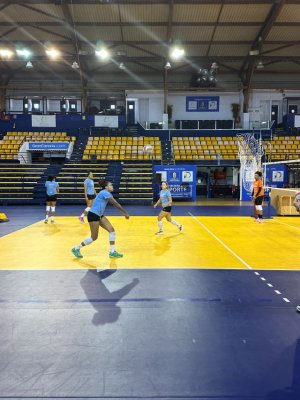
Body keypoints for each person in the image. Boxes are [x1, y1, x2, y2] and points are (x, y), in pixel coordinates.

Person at [71, 180, 129, 259]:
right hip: (93, 215)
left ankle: (112, 252)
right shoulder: (105, 193)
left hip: (99, 215)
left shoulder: (105, 193)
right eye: (110, 185)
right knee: (93, 237)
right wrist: (125, 213)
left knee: (111, 231)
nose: (112, 186)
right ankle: (76, 248)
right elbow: (115, 203)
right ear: (106, 187)